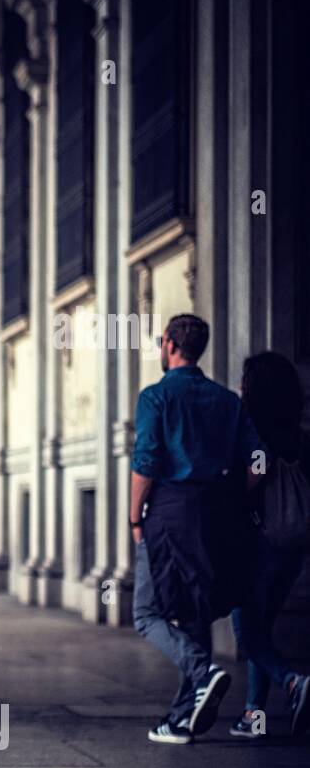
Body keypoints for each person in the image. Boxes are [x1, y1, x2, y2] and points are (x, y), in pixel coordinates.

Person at [130, 314, 262, 745]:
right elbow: (259, 461)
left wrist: (135, 517)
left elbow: (146, 463)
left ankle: (202, 672)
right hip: (217, 511)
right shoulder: (228, 401)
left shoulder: (156, 397)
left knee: (146, 611)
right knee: (195, 611)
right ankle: (183, 718)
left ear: (168, 344)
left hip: (170, 509)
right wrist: (237, 496)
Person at [229, 351, 310, 739]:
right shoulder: (299, 435)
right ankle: (252, 715)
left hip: (259, 544)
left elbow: (252, 482)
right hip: (294, 547)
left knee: (247, 634)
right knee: (262, 627)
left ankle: (293, 681)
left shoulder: (256, 437)